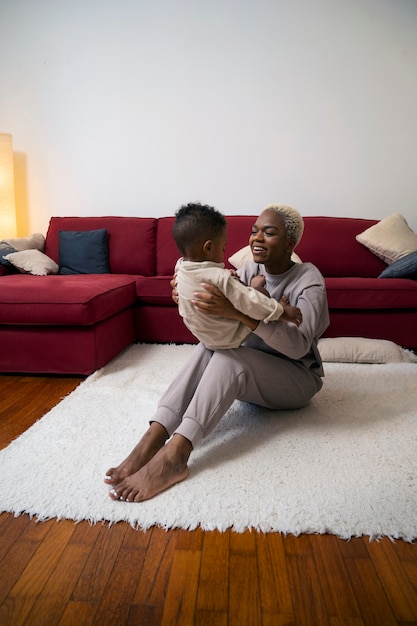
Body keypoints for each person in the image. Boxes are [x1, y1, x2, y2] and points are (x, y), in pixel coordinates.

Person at [105, 203, 330, 503]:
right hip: (255, 367)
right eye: (254, 231)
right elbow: (213, 296)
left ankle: (176, 453)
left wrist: (242, 315)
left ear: (290, 243)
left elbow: (299, 345)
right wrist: (185, 292)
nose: (257, 239)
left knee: (229, 357)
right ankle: (155, 435)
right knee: (211, 346)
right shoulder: (248, 270)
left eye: (270, 232)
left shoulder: (308, 279)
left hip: (296, 378)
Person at [172, 202, 302, 350]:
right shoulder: (221, 278)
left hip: (205, 337)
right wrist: (282, 312)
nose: (223, 252)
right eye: (223, 248)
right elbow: (250, 302)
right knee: (258, 295)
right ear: (208, 247)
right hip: (231, 335)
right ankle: (262, 292)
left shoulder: (180, 268)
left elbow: (203, 276)